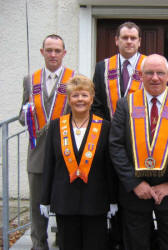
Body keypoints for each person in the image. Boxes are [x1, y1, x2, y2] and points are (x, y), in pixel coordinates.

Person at [109, 54, 168, 250]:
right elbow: (115, 146)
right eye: (149, 73)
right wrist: (134, 183)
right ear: (140, 76)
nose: (155, 78)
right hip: (135, 192)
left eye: (160, 73)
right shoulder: (126, 104)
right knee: (136, 244)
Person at [40, 75, 117, 250]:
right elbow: (49, 165)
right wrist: (45, 199)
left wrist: (113, 199)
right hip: (64, 201)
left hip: (96, 201)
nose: (80, 99)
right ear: (68, 99)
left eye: (84, 95)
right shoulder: (55, 126)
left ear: (91, 98)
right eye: (75, 95)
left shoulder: (104, 127)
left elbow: (109, 167)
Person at [19, 34, 76, 250]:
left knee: (63, 202)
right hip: (37, 152)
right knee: (36, 204)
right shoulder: (29, 79)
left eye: (57, 50)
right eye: (49, 50)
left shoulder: (74, 78)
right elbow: (22, 114)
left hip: (64, 152)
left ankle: (62, 241)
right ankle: (38, 244)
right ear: (42, 51)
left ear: (64, 53)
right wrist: (27, 114)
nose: (53, 54)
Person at [92, 21, 146, 120]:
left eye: (133, 38)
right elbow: (96, 104)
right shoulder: (102, 67)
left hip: (141, 129)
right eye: (125, 38)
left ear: (139, 42)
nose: (129, 41)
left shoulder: (149, 65)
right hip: (110, 130)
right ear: (117, 40)